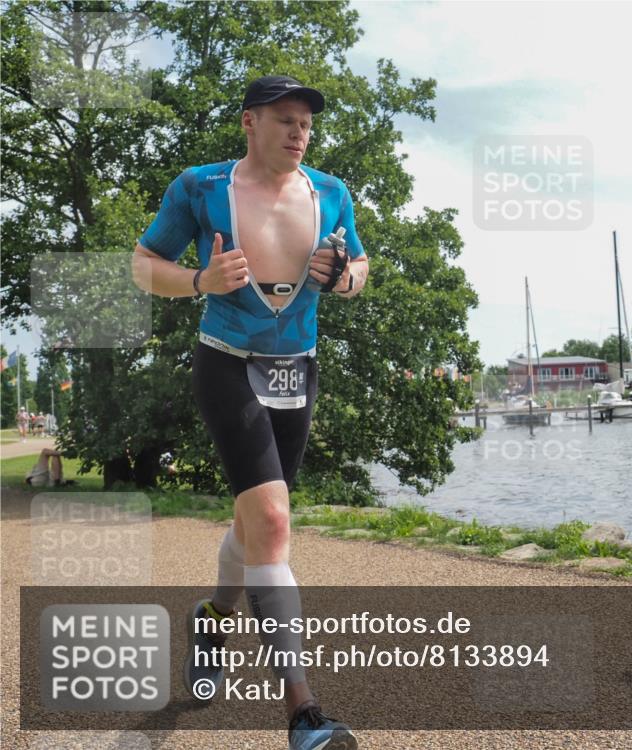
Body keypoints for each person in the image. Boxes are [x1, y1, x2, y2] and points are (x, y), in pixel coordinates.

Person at [131, 75, 368, 749]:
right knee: (269, 518)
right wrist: (199, 280)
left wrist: (342, 278)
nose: (300, 132)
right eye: (287, 120)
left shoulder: (330, 193)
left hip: (299, 369)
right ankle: (303, 713)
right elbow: (144, 262)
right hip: (226, 361)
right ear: (249, 123)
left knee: (255, 526)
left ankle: (212, 616)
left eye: (307, 124)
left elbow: (359, 267)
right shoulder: (202, 189)